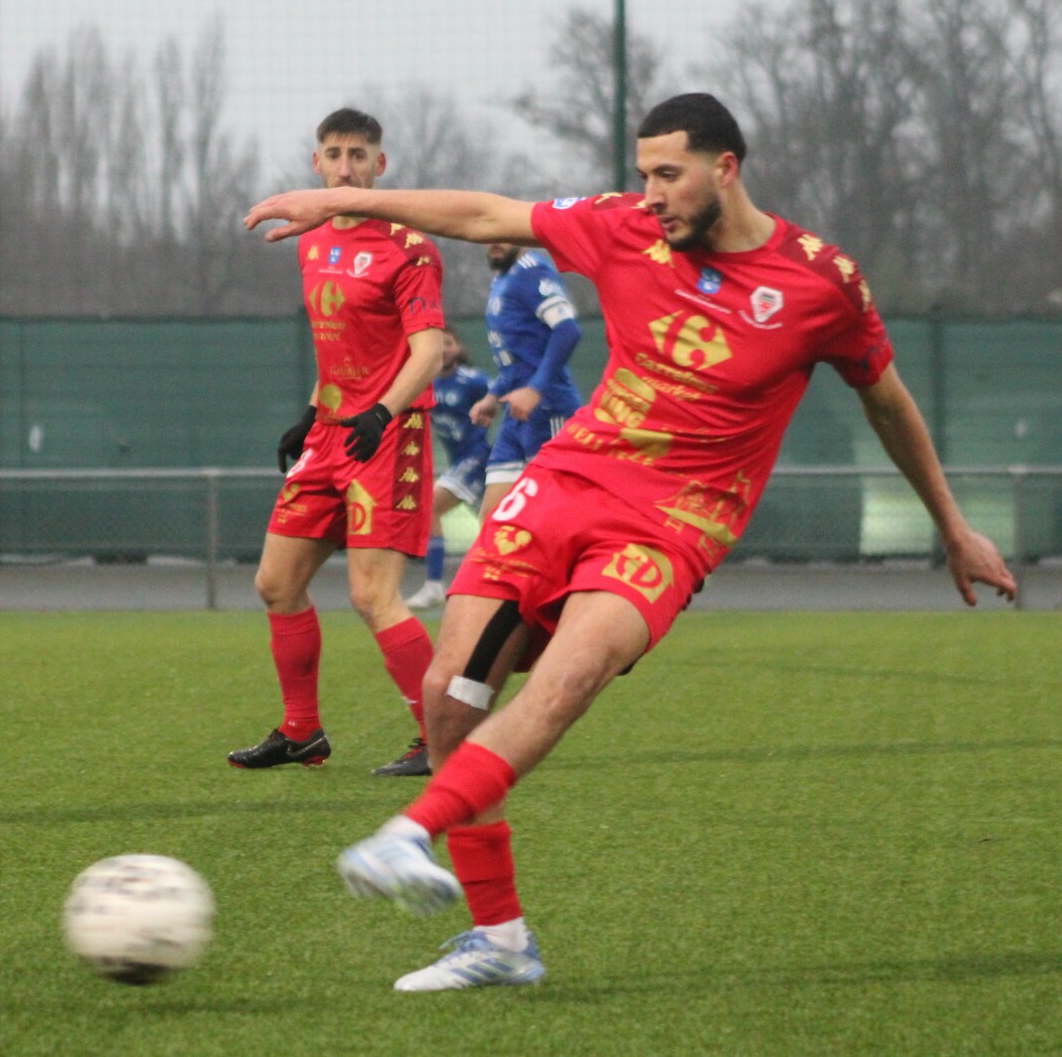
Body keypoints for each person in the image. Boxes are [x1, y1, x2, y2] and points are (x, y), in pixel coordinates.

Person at [245, 92, 1016, 990]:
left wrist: (952, 526)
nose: (649, 192)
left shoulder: (820, 282)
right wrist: (343, 201)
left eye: (668, 174)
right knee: (450, 698)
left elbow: (886, 400)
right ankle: (500, 941)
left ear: (725, 169)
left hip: (673, 522)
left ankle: (409, 831)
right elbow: (486, 213)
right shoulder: (623, 227)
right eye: (643, 172)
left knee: (571, 674)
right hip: (566, 484)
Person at [228, 107, 447, 779]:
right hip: (331, 432)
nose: (345, 168)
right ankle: (302, 731)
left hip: (390, 431)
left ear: (380, 165)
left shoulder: (409, 247)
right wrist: (309, 412)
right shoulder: (311, 240)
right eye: (333, 154)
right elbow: (344, 347)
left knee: (372, 595)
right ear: (316, 164)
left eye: (358, 155)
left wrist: (381, 412)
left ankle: (443, 738)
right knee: (276, 582)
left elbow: (429, 351)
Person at [468, 242, 584, 522]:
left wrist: (536, 389)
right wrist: (493, 396)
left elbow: (567, 330)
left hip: (550, 411)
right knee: (493, 521)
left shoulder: (532, 271)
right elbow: (517, 360)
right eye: (490, 236)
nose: (495, 242)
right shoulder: (501, 279)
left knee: (556, 518)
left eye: (504, 234)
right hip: (516, 416)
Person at [405, 327, 492, 612]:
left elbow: (502, 396)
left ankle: (434, 586)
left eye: (449, 343)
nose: (443, 349)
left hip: (477, 458)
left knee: (431, 506)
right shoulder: (425, 382)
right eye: (438, 344)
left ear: (459, 349)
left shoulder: (473, 380)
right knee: (494, 524)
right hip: (460, 462)